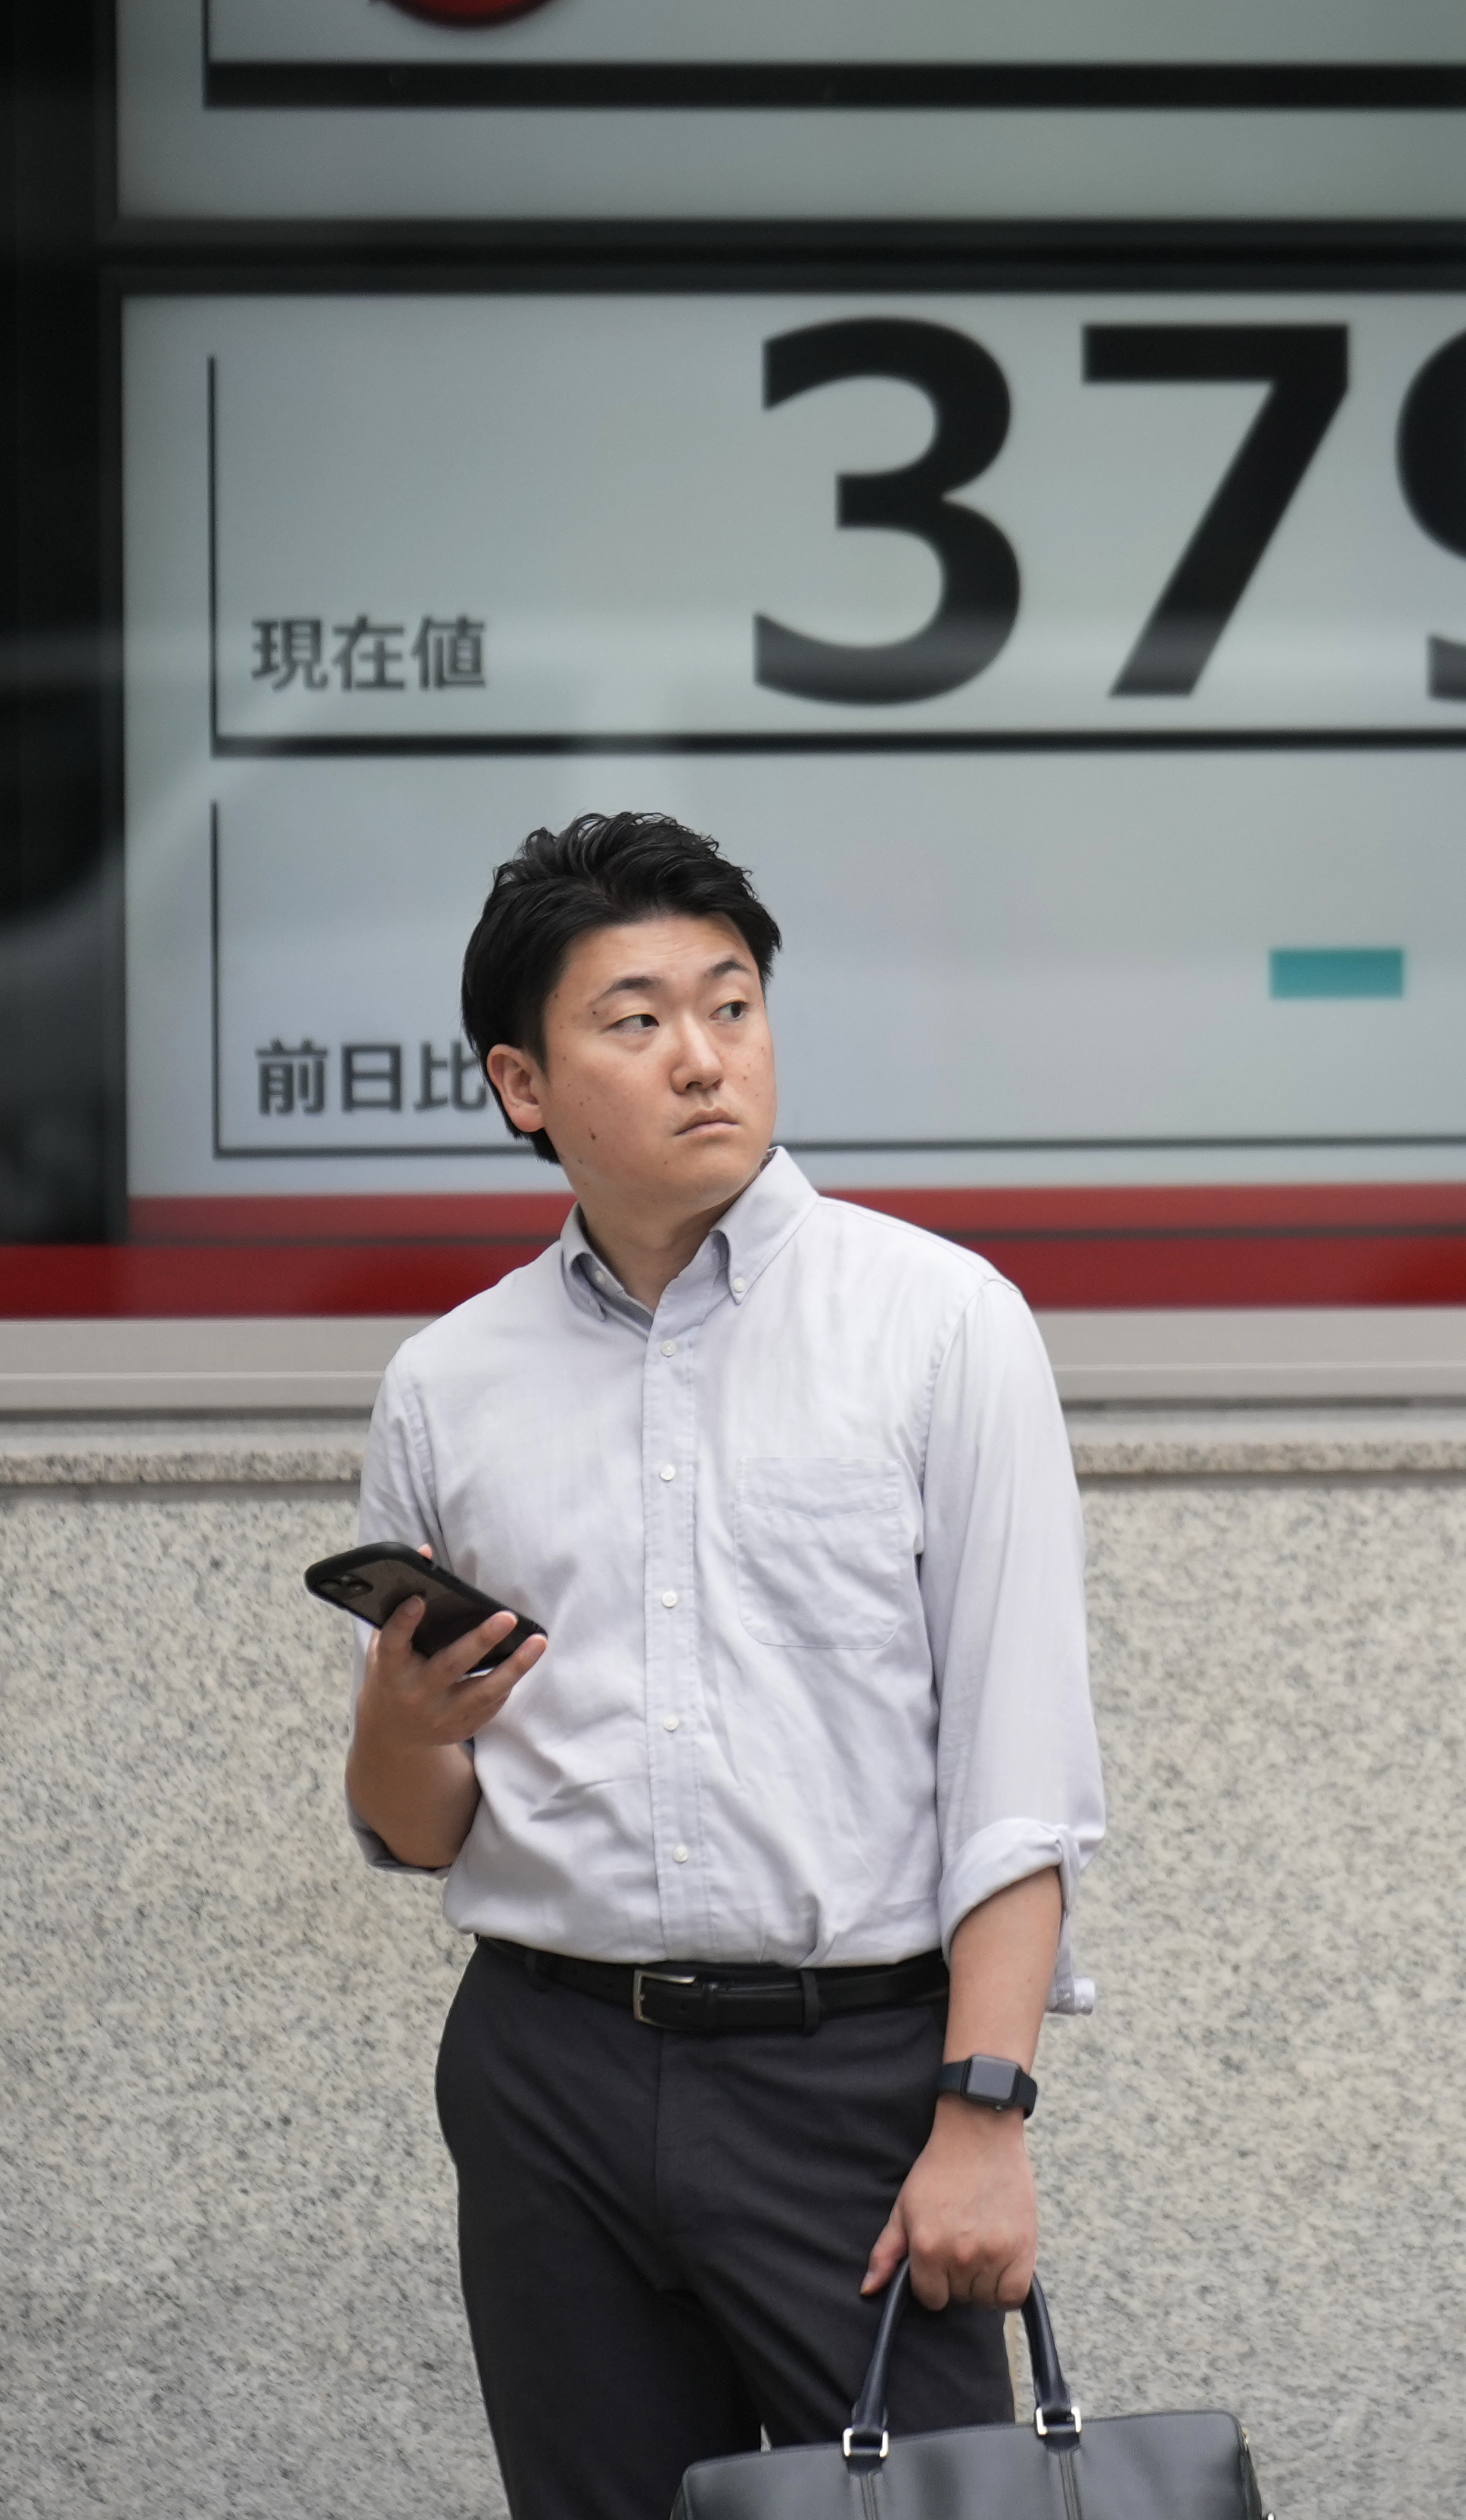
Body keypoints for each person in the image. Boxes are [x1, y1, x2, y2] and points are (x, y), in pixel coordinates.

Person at [343, 810, 1104, 2520]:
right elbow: (413, 1830)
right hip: (548, 2073)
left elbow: (1018, 1761)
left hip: (854, 2079)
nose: (703, 1057)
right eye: (636, 1020)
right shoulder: (448, 1385)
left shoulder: (937, 1322)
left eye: (734, 1005)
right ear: (524, 1085)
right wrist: (404, 1722)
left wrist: (986, 2110)